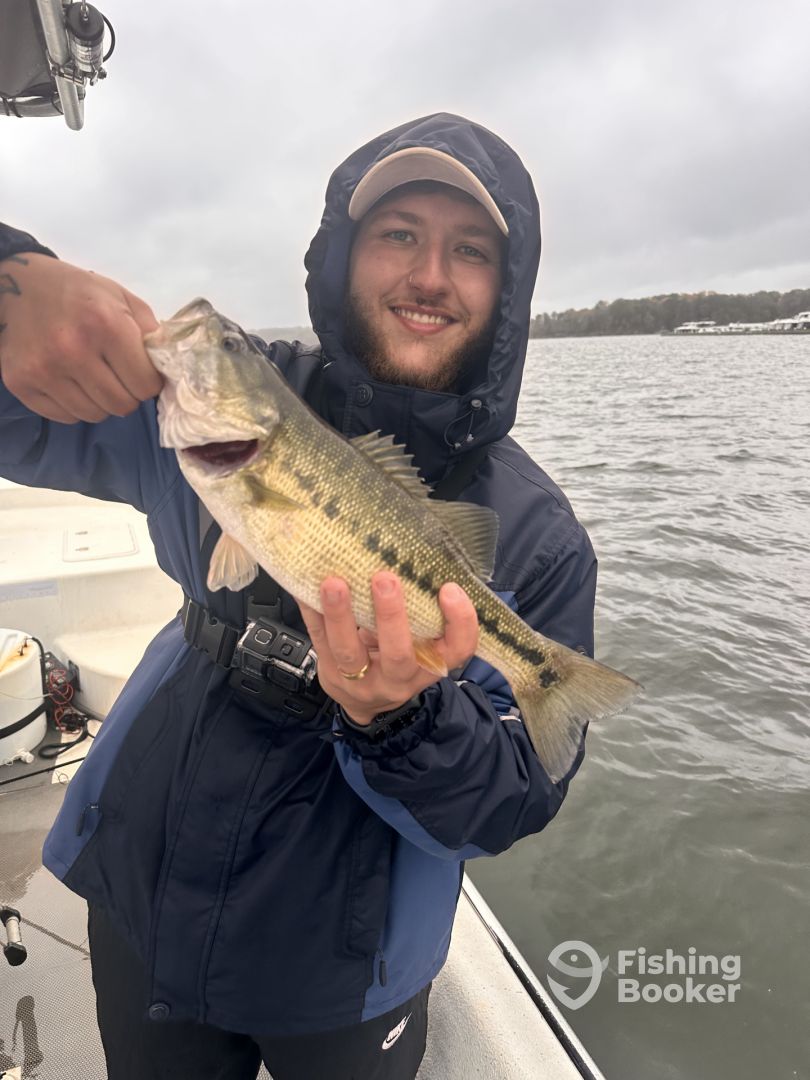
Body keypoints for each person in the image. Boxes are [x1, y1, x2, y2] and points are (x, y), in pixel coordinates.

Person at [0, 113, 598, 1079]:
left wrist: (400, 720)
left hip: (350, 973)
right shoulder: (218, 409)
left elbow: (508, 801)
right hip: (144, 888)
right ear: (341, 253)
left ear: (508, 285)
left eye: (470, 250)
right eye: (398, 232)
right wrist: (8, 286)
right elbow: (20, 416)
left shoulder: (544, 535)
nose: (430, 274)